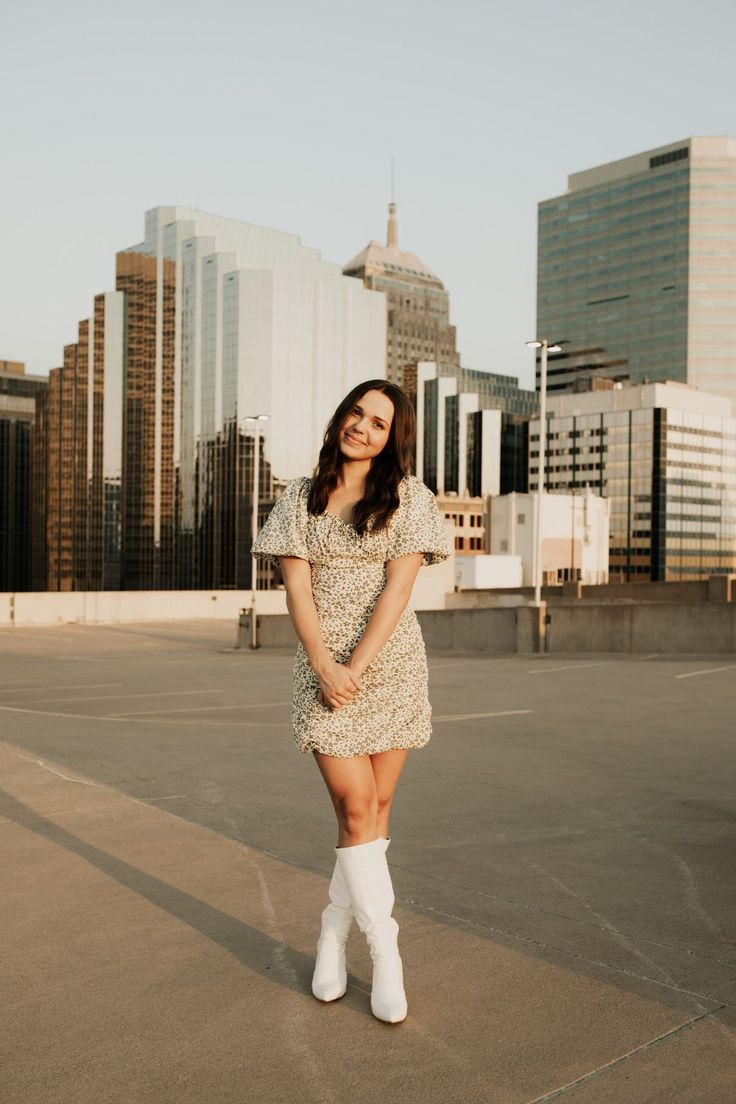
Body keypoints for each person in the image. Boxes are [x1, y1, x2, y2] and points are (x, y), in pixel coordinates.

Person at [252, 379, 450, 1023]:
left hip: (388, 666)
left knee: (377, 808)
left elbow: (398, 591)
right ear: (341, 417)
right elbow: (296, 592)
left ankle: (332, 936)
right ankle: (386, 950)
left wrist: (356, 668)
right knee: (355, 803)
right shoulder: (298, 497)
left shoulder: (408, 498)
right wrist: (324, 666)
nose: (362, 427)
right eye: (356, 413)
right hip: (321, 671)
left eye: (379, 423)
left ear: (395, 439)